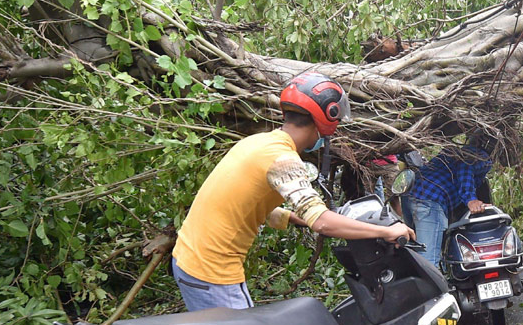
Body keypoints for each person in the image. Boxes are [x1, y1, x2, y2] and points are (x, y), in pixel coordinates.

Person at [171, 71, 415, 312]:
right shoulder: (283, 159)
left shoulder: (258, 142)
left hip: (187, 259)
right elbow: (322, 223)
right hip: (211, 271)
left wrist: (294, 217)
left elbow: (247, 203)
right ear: (328, 119)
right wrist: (387, 231)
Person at [408, 133, 493, 269]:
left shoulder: (454, 150)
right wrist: (470, 199)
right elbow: (466, 165)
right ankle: (433, 290)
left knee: (416, 249)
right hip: (430, 199)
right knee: (429, 262)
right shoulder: (481, 156)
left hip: (412, 193)